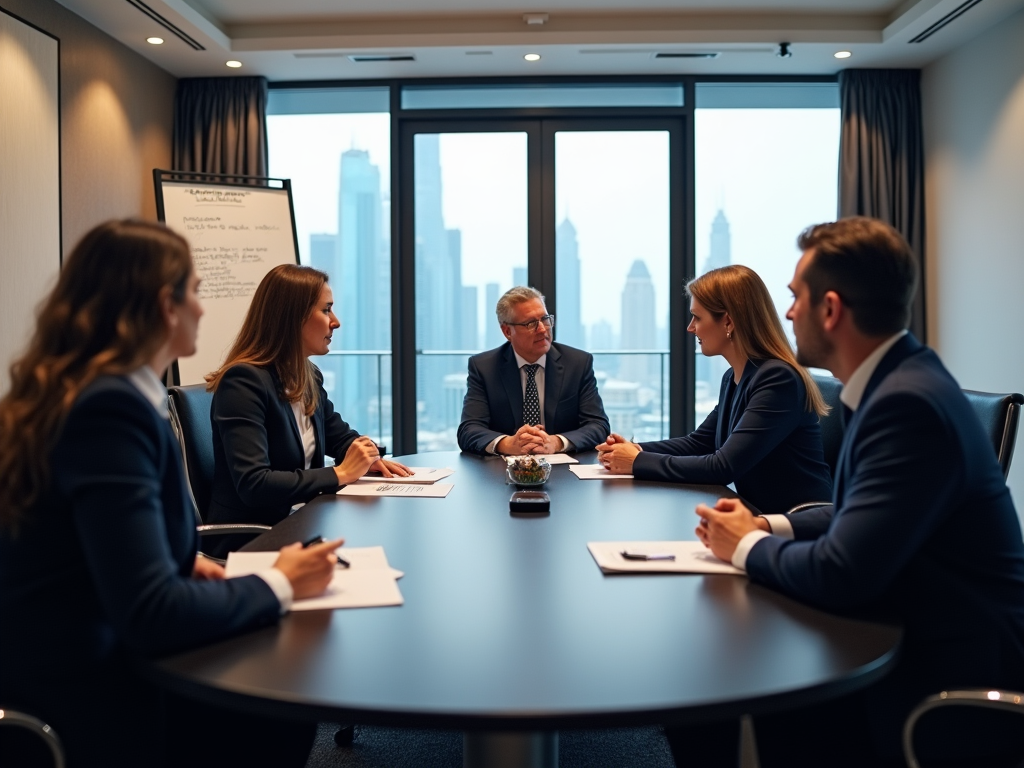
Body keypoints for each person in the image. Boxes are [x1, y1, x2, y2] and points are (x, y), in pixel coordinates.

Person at [0, 220, 344, 768]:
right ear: (165, 305)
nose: (203, 309)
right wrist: (282, 580)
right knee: (280, 706)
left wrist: (185, 561)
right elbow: (150, 610)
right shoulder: (109, 413)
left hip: (87, 644)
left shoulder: (96, 396)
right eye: (195, 292)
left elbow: (103, 548)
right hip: (83, 684)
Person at [686, 217, 1024, 767]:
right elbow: (853, 515)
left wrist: (743, 547)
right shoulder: (899, 382)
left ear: (831, 309)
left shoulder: (904, 405)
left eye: (796, 297)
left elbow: (842, 573)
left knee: (729, 688)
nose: (788, 312)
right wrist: (768, 526)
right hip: (904, 623)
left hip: (942, 673)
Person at [597, 265, 832, 515]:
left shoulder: (777, 379)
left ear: (728, 321)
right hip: (757, 515)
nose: (690, 328)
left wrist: (636, 461)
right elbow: (699, 443)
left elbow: (723, 466)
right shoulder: (733, 377)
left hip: (796, 523)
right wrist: (636, 449)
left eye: (697, 317)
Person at [205, 264, 409, 539]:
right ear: (293, 317)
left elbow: (340, 437)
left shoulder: (307, 374)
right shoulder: (243, 382)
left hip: (305, 523)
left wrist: (366, 456)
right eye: (326, 310)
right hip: (255, 537)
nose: (335, 321)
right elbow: (254, 484)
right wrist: (340, 473)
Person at [457, 286, 610, 455]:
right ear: (507, 331)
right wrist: (508, 444)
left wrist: (556, 442)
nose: (543, 329)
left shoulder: (578, 364)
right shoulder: (484, 368)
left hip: (565, 471)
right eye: (531, 324)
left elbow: (599, 426)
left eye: (545, 319)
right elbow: (468, 430)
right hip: (502, 473)